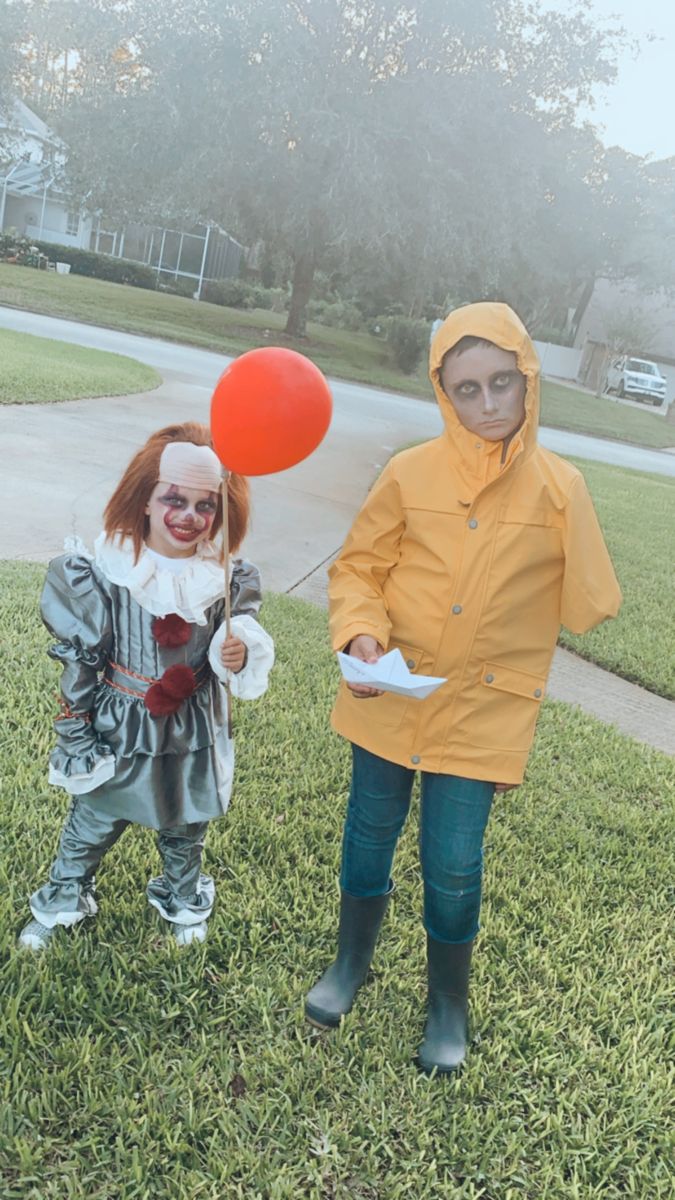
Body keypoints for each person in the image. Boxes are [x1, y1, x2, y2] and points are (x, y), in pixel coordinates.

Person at [305, 302, 621, 1073]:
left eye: (501, 384)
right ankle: (351, 963)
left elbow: (589, 605)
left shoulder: (559, 487)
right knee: (367, 834)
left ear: (529, 382)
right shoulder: (409, 471)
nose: (485, 406)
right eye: (465, 389)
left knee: (453, 861)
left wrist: (566, 517)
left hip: (482, 709)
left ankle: (448, 1001)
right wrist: (361, 635)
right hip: (389, 690)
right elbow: (358, 568)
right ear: (442, 393)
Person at [19, 422, 274, 952]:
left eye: (205, 507)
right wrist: (75, 731)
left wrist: (238, 650)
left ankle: (183, 898)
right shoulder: (110, 570)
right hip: (121, 722)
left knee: (185, 822)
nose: (188, 517)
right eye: (173, 500)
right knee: (94, 816)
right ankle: (66, 895)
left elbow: (239, 629)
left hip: (190, 724)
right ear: (145, 501)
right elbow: (84, 660)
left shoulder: (223, 576)